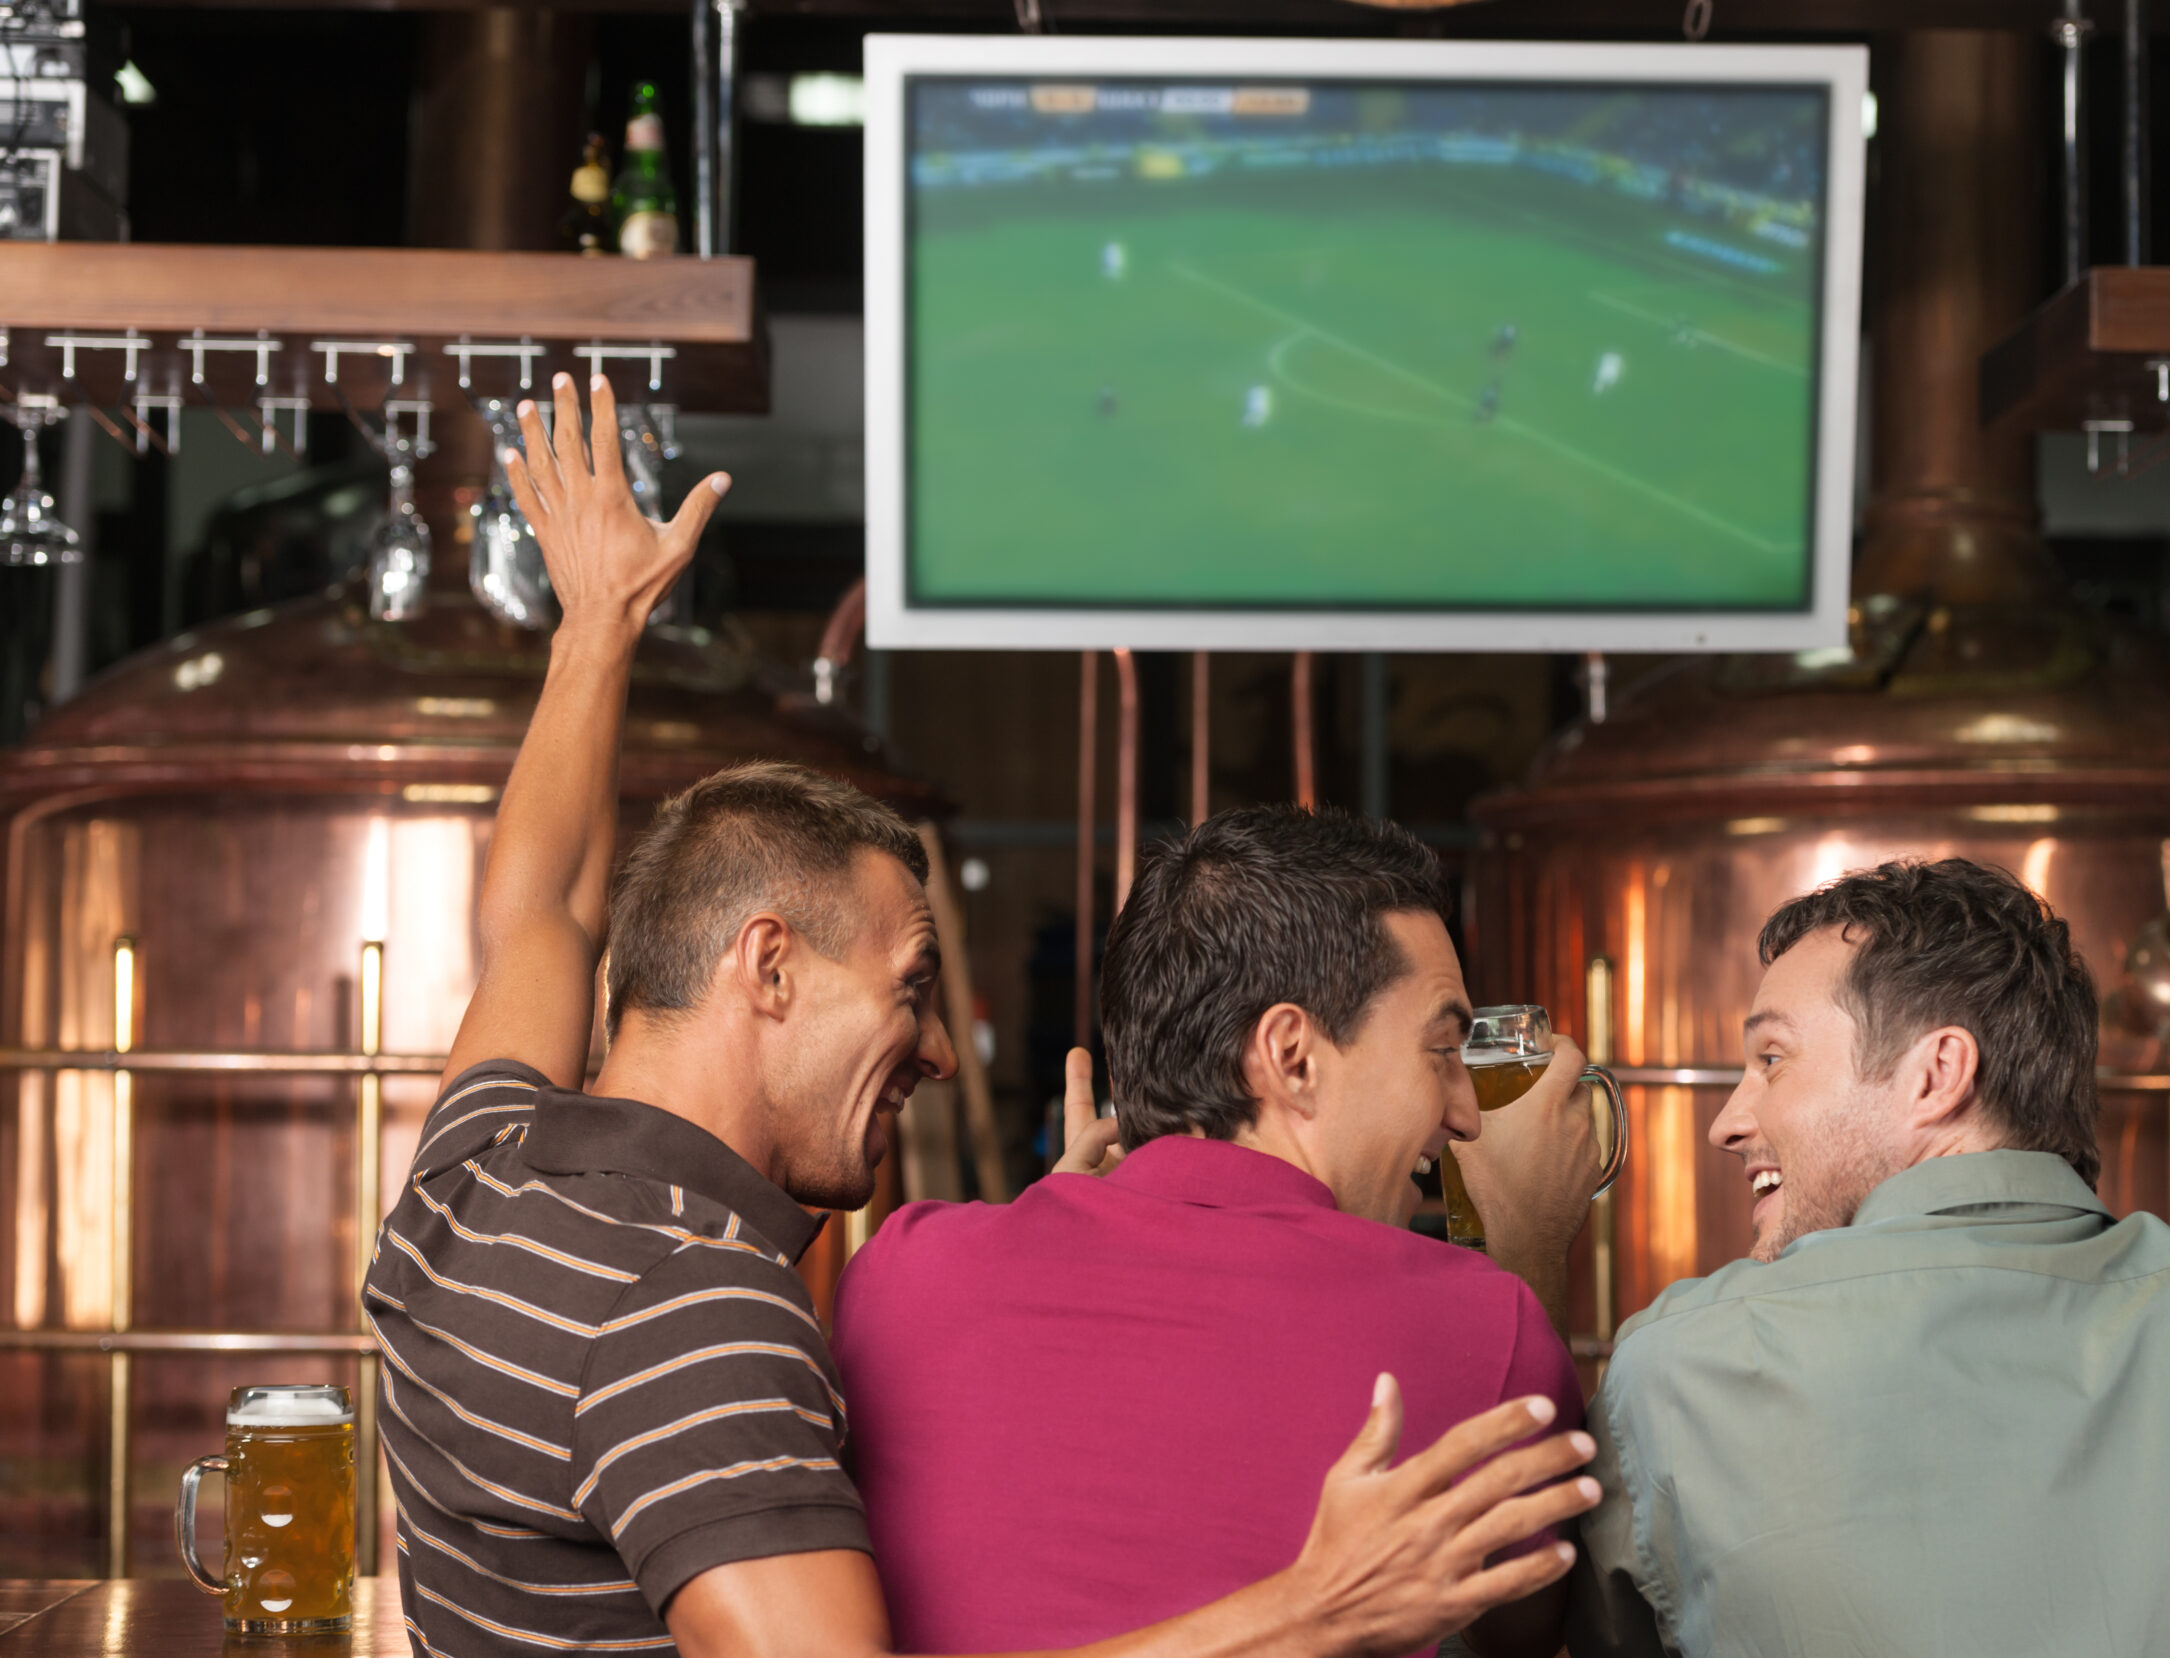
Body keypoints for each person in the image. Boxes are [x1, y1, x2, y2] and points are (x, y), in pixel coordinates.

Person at [363, 372, 1600, 1658]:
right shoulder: (689, 1311)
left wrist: (598, 628)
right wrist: (1313, 1607)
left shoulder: (476, 1164)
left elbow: (540, 912)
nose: (942, 1051)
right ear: (767, 968)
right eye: (910, 987)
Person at [1564, 858, 2170, 1658]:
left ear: (1937, 1073)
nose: (1728, 1121)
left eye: (1772, 1060)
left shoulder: (1685, 1369)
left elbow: (1535, 1630)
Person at [833, 807, 1612, 1658]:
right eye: (1440, 1050)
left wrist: (1045, 1224)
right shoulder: (1480, 1327)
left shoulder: (901, 1273)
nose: (1464, 1113)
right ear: (1291, 1056)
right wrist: (1529, 1249)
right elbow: (1526, 1635)